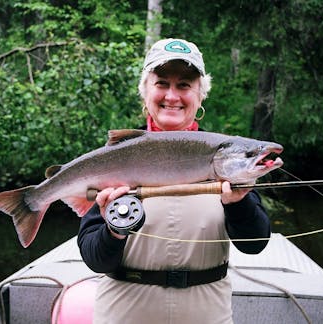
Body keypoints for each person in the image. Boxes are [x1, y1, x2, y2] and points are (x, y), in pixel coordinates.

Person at [77, 38, 271, 324]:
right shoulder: (112, 160)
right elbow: (95, 259)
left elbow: (255, 244)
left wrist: (239, 205)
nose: (172, 95)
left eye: (184, 85)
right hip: (123, 314)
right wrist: (113, 231)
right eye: (162, 83)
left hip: (207, 315)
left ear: (200, 95)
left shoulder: (228, 158)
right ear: (144, 91)